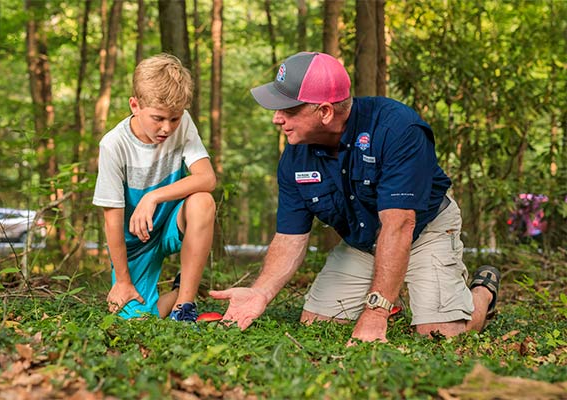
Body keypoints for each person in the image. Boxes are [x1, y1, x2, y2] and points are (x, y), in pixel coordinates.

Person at [210, 51, 500, 343]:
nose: (276, 118)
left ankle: (481, 293)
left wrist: (376, 313)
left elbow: (400, 225)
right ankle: (392, 290)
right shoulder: (295, 156)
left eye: (288, 110)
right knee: (317, 325)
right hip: (365, 241)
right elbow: (290, 237)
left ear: (324, 112)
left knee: (439, 335)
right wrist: (261, 291)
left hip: (424, 229)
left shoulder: (397, 129)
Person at [93, 53, 216, 322]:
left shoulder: (182, 125)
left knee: (203, 201)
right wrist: (123, 281)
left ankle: (185, 306)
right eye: (158, 118)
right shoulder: (114, 145)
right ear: (135, 105)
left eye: (174, 119)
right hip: (135, 242)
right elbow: (112, 220)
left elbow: (207, 179)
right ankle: (181, 288)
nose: (167, 128)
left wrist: (153, 197)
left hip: (171, 224)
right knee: (134, 320)